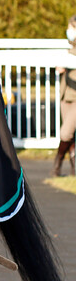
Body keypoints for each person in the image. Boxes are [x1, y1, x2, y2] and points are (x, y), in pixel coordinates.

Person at [53, 14, 76, 177]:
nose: (68, 31)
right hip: (66, 95)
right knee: (70, 135)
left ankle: (57, 161)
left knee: (66, 132)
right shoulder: (69, 49)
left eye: (71, 28)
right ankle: (71, 168)